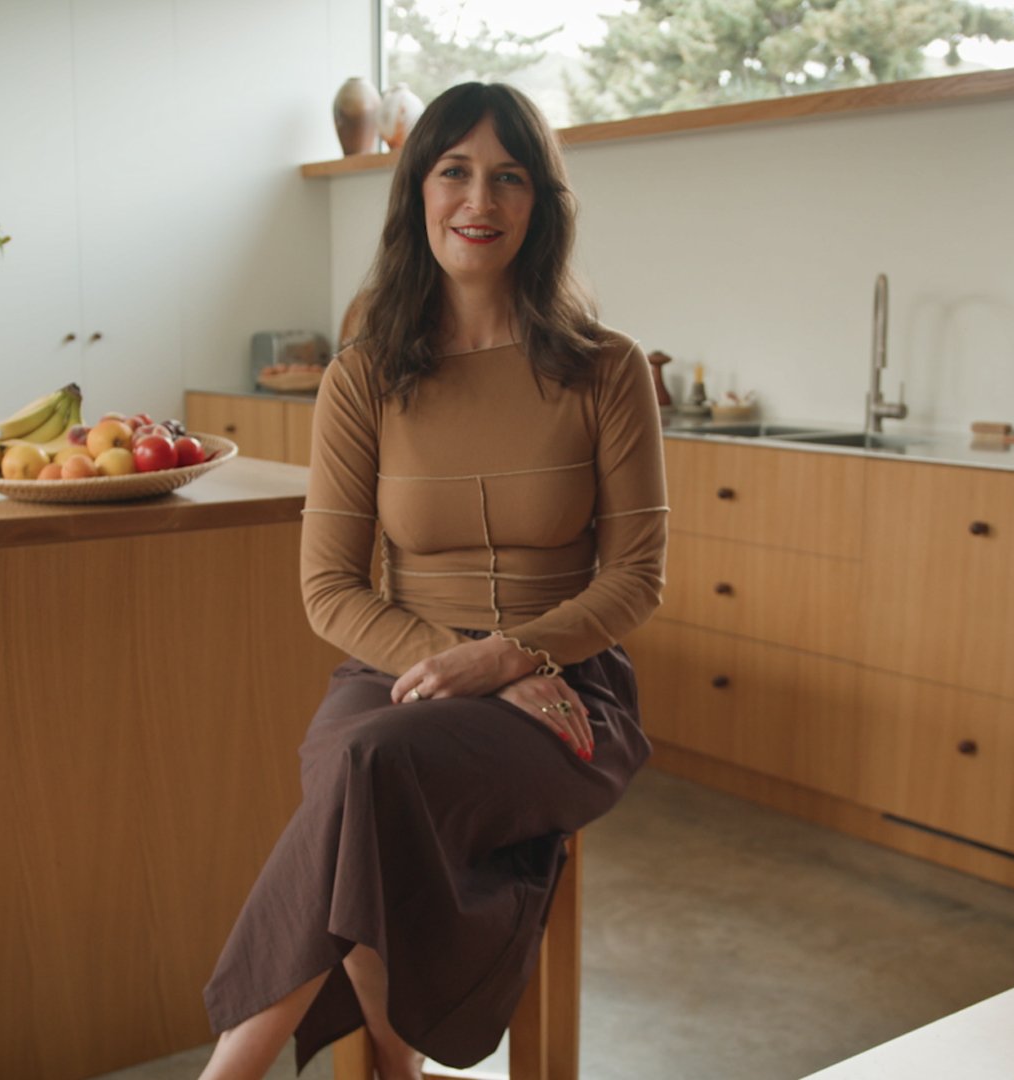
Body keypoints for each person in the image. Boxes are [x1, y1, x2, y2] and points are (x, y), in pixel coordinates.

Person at [198, 81, 668, 1080]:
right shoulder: (365, 376)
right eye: (454, 171)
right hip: (393, 676)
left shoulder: (608, 369)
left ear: (541, 205)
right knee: (370, 768)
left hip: (566, 692)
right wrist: (462, 663)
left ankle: (236, 1063)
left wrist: (511, 656)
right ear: (416, 190)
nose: (479, 201)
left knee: (369, 774)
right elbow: (329, 589)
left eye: (509, 178)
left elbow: (636, 579)